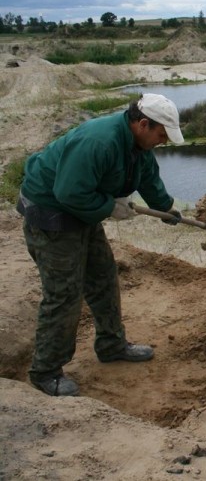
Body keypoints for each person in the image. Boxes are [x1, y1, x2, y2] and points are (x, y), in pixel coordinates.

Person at [17, 93, 185, 397]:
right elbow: (69, 193)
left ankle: (111, 345)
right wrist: (109, 207)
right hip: (51, 213)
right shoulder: (100, 141)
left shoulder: (137, 144)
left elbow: (146, 176)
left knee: (103, 278)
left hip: (81, 211)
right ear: (143, 123)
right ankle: (45, 372)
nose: (164, 141)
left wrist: (166, 207)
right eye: (161, 135)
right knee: (64, 294)